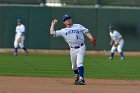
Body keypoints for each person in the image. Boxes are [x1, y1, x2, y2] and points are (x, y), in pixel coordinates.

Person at [50, 14, 96, 85]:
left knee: (79, 62)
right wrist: (53, 24)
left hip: (81, 46)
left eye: (69, 19)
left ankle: (81, 79)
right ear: (64, 22)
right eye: (66, 19)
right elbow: (52, 33)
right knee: (74, 66)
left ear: (71, 20)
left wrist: (91, 38)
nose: (68, 20)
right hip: (72, 49)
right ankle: (77, 75)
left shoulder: (78, 26)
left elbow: (86, 32)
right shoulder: (63, 31)